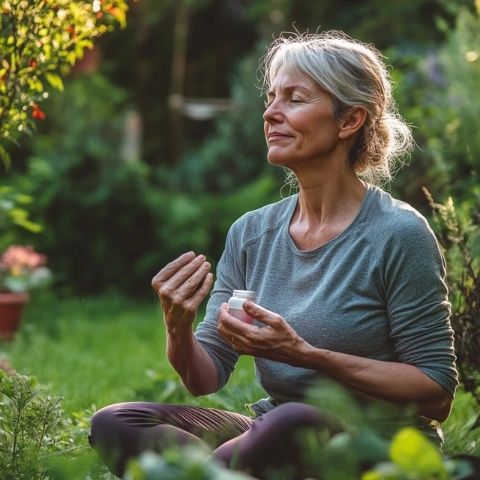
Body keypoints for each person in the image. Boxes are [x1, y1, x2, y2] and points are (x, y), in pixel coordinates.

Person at [89, 30, 458, 479]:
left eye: (294, 99)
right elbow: (205, 377)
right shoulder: (251, 232)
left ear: (349, 121)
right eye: (271, 98)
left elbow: (436, 392)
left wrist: (307, 354)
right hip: (270, 433)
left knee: (292, 421)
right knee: (115, 421)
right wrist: (178, 328)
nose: (270, 113)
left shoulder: (398, 233)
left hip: (376, 446)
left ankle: (196, 474)